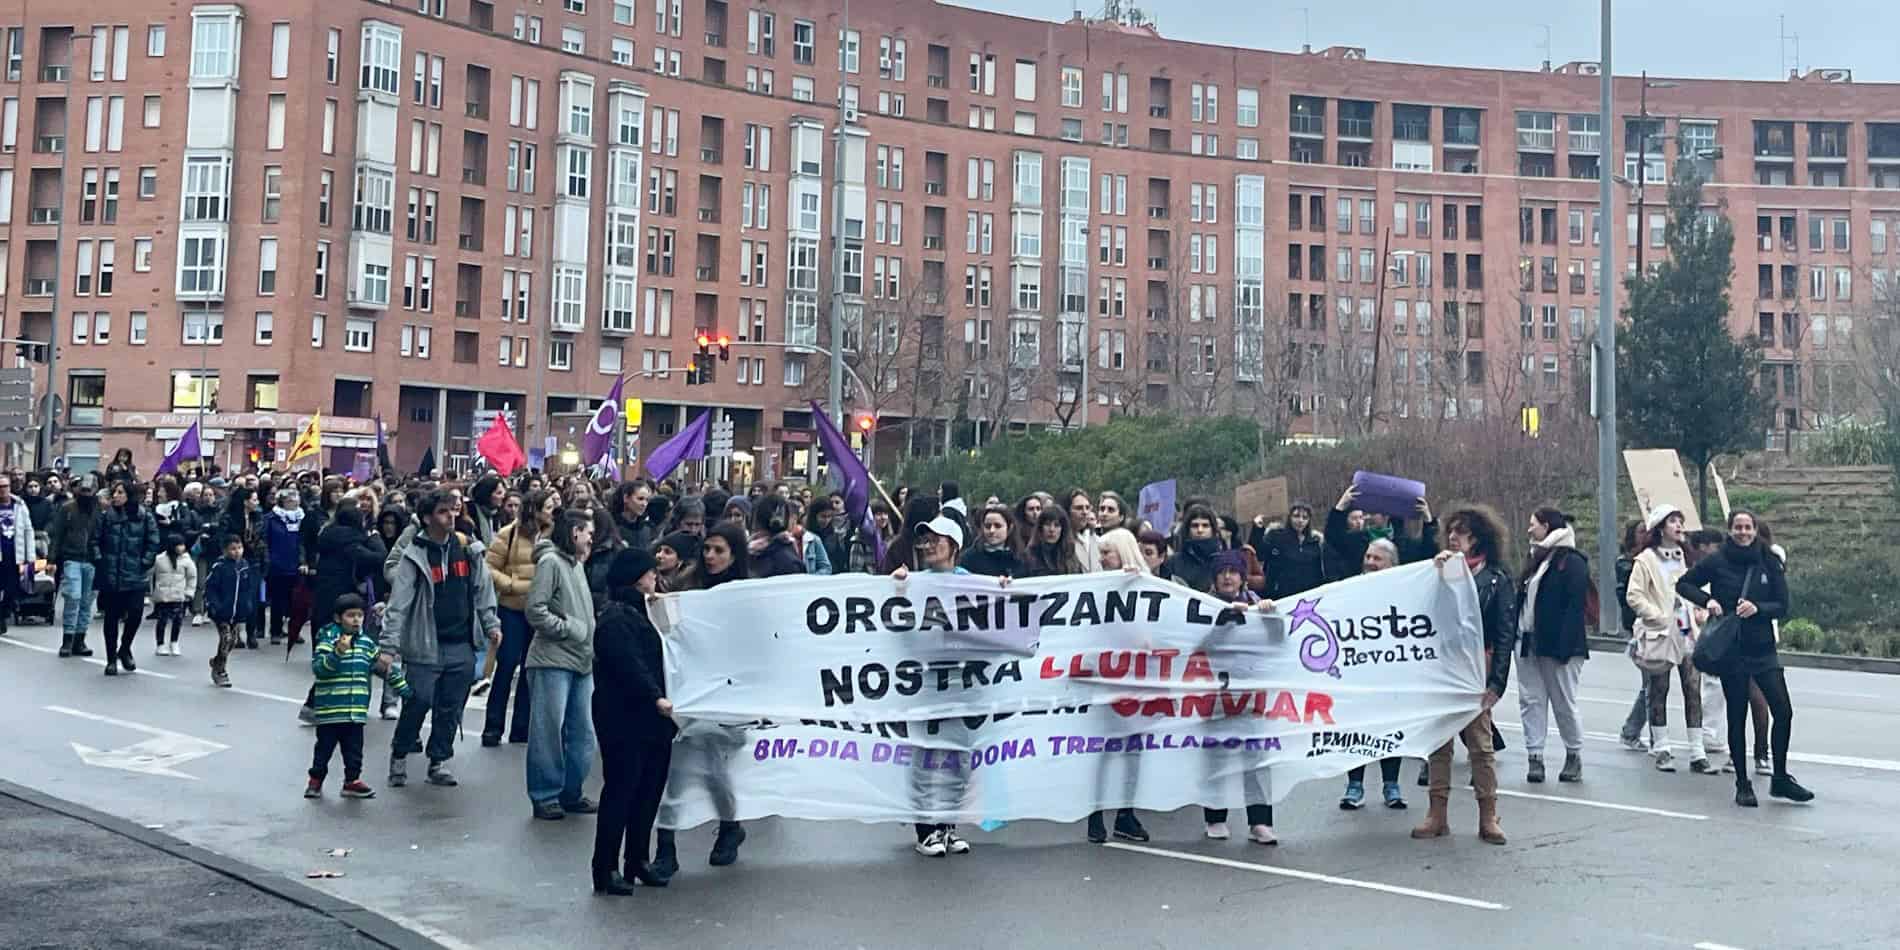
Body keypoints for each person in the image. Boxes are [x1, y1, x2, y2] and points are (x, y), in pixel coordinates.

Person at [1675, 510, 1812, 807]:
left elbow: (1782, 605)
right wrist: (1708, 601)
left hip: (1762, 648)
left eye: (1748, 527)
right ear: (1730, 530)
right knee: (1737, 715)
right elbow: (1684, 584)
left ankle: (1780, 778)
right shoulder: (1717, 560)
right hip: (1731, 650)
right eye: (1738, 527)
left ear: (1755, 530)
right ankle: (1742, 782)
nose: (1743, 532)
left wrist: (1758, 608)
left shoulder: (1768, 561)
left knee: (1783, 711)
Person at [893, 515, 1010, 856]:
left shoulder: (973, 584)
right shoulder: (914, 582)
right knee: (924, 754)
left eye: (936, 539)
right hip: (926, 683)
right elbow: (897, 625)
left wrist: (1003, 590)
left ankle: (947, 825)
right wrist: (897, 590)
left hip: (963, 686)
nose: (928, 545)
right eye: (925, 539)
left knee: (961, 757)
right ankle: (925, 829)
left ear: (954, 546)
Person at [652, 520, 752, 878]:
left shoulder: (746, 595)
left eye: (719, 550)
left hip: (727, 698)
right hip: (688, 691)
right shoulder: (688, 584)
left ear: (734, 555)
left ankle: (672, 846)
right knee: (693, 769)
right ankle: (716, 831)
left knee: (692, 768)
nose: (710, 556)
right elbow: (670, 630)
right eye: (707, 548)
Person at [384, 490, 502, 790]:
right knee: (419, 699)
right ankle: (400, 752)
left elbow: (483, 589)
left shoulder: (468, 549)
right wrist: (388, 647)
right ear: (427, 518)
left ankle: (438, 760)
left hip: (460, 642)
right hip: (426, 641)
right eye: (443, 512)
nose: (451, 516)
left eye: (454, 511)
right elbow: (398, 603)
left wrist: (491, 623)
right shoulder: (415, 553)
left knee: (451, 706)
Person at [1414, 506, 1515, 845]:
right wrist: (1438, 575)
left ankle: (1488, 815)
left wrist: (1497, 682)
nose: (1454, 537)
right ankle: (1436, 814)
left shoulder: (1497, 578)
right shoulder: (1440, 572)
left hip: (1476, 668)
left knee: (1481, 747)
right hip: (1442, 666)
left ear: (1478, 538)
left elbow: (1505, 633)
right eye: (1451, 531)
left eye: (1463, 532)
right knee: (1439, 743)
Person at [590, 549, 675, 894]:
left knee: (649, 790)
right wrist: (655, 696)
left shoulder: (649, 611)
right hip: (623, 714)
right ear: (637, 577)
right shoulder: (615, 616)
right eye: (650, 572)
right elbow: (629, 664)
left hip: (655, 718)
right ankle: (605, 867)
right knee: (622, 790)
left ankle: (637, 858)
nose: (655, 577)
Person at [1625, 505, 1715, 774]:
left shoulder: (1688, 557)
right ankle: (1662, 748)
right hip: (1661, 633)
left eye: (1680, 521)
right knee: (1658, 689)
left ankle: (1697, 752)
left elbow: (1701, 588)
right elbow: (1634, 595)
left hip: (1688, 632)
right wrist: (1657, 616)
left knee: (1692, 688)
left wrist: (1701, 609)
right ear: (1660, 527)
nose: (1678, 526)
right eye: (1672, 521)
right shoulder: (1646, 560)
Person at [525, 509, 600, 820]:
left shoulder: (576, 565)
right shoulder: (551, 563)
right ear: (574, 533)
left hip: (581, 659)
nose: (592, 538)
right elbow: (535, 609)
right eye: (588, 532)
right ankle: (545, 795)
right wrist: (569, 629)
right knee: (548, 731)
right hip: (552, 659)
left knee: (583, 732)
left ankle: (571, 791)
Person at [1084, 526, 1153, 845]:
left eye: (1106, 553)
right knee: (1103, 750)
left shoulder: (1148, 587)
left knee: (1133, 750)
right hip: (1106, 679)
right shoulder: (1098, 590)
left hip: (1138, 680)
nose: (1101, 559)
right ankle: (1096, 813)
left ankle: (1126, 812)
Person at [306, 594, 412, 800]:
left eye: (360, 615)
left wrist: (404, 690)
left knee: (354, 750)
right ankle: (315, 781)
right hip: (330, 711)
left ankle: (351, 781)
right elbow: (319, 669)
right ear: (338, 618)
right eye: (350, 615)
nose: (356, 620)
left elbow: (384, 668)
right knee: (324, 749)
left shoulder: (366, 644)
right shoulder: (328, 641)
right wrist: (337, 653)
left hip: (356, 712)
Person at [1517, 508, 1590, 784]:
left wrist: (1565, 649)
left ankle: (1573, 754)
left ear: (1546, 526)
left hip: (1560, 648)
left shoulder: (1571, 561)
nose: (1529, 529)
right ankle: (1534, 756)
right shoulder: (1536, 558)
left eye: (1533, 524)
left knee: (1563, 703)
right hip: (1527, 641)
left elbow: (1574, 607)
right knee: (1531, 700)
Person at [483, 488, 556, 747]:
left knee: (530, 669)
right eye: (548, 507)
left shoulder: (555, 536)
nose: (553, 512)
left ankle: (521, 728)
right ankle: (493, 727)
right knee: (506, 665)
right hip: (512, 609)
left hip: (540, 613)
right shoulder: (509, 533)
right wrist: (512, 585)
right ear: (535, 510)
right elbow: (489, 567)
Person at [1340, 538, 1408, 810]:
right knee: (1356, 729)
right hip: (1358, 671)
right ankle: (1354, 785)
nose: (1369, 562)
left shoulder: (1406, 591)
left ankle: (1391, 784)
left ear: (1392, 564)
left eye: (1377, 559)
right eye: (1368, 556)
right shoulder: (1350, 589)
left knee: (1390, 728)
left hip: (1391, 672)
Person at [94, 481, 161, 676]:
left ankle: (125, 648)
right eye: (114, 492)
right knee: (111, 617)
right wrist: (100, 560)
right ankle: (111, 659)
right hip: (112, 574)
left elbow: (153, 541)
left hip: (135, 574)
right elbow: (94, 540)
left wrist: (145, 561)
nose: (116, 496)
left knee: (135, 614)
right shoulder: (106, 517)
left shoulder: (144, 516)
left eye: (120, 492)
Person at [49, 484, 101, 657]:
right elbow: (57, 534)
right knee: (73, 597)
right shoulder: (67, 509)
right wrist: (52, 559)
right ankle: (68, 639)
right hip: (72, 557)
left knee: (86, 602)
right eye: (83, 491)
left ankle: (79, 639)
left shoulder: (98, 509)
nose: (86, 494)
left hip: (91, 559)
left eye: (89, 491)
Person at [204, 535, 258, 687]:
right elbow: (210, 588)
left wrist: (247, 606)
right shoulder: (219, 567)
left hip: (238, 612)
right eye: (233, 549)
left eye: (239, 548)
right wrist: (215, 605)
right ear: (225, 550)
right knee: (226, 638)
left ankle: (217, 661)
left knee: (233, 641)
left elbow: (248, 589)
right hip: (222, 612)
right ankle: (220, 671)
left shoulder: (245, 566)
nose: (237, 552)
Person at [1256, 502, 1331, 599]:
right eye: (1296, 516)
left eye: (1305, 517)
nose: (1300, 520)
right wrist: (1258, 530)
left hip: (1310, 594)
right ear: (1289, 517)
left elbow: (1319, 569)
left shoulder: (1315, 541)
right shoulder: (1276, 537)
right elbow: (1260, 554)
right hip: (1283, 595)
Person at [263, 488, 309, 646]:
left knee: (296, 601)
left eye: (296, 500)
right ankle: (275, 631)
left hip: (297, 564)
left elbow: (305, 541)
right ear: (282, 502)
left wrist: (304, 561)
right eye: (289, 500)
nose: (293, 503)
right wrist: (269, 560)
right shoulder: (271, 519)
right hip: (277, 564)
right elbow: (265, 540)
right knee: (277, 599)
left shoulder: (304, 518)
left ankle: (294, 631)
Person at [150, 534, 197, 657]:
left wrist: (189, 592)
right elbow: (150, 575)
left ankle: (174, 642)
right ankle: (160, 644)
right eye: (179, 545)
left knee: (177, 620)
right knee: (162, 620)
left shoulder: (186, 560)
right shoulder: (159, 559)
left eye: (182, 544)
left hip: (179, 595)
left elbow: (192, 577)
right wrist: (151, 592)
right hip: (162, 595)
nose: (182, 547)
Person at [0, 473, 35, 636]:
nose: (2, 490)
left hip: (15, 553)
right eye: (0, 487)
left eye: (5, 486)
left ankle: (3, 614)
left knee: (12, 589)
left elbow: (28, 530)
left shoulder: (19, 505)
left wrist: (30, 557)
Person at [1160, 505, 1221, 591]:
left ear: (1213, 529)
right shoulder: (1173, 563)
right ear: (1187, 529)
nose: (1200, 530)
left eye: (1205, 525)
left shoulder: (1222, 562)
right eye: (1195, 526)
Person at [959, 506, 1024, 577]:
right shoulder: (969, 558)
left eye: (998, 526)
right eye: (987, 526)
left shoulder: (1022, 558)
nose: (992, 530)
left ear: (1009, 528)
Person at [1064, 489, 1101, 572]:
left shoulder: (1097, 540)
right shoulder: (1062, 542)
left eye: (1087, 507)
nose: (1085, 512)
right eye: (1079, 508)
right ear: (1067, 511)